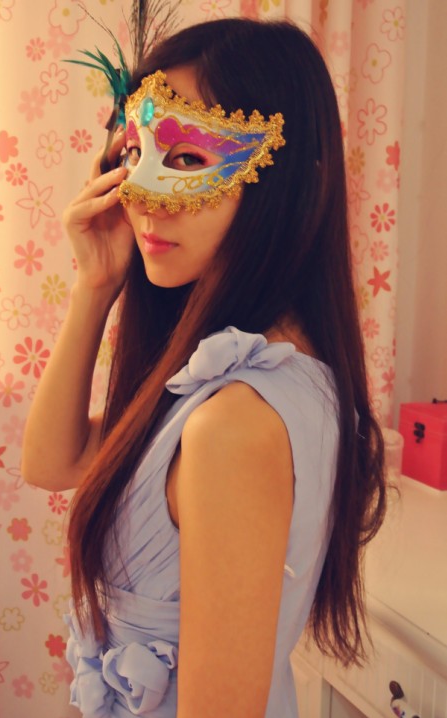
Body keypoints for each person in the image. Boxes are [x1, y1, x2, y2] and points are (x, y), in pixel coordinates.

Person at [22, 17, 386, 718]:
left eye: (187, 158)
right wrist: (95, 286)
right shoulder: (257, 374)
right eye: (133, 154)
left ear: (289, 182)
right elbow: (51, 462)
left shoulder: (234, 423)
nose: (141, 193)